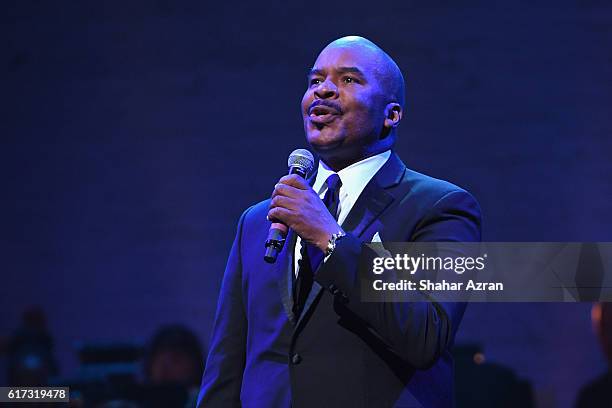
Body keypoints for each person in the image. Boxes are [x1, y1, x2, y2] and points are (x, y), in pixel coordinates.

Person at [198, 36, 482, 408]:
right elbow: (227, 364)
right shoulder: (258, 221)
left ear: (391, 114)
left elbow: (426, 333)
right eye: (315, 81)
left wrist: (331, 239)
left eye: (348, 80)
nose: (324, 90)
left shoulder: (439, 207)